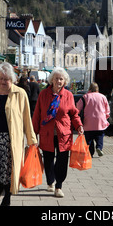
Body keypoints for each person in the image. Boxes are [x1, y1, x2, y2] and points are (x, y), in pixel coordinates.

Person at [0, 62, 38, 206]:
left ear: (13, 80)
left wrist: (31, 139)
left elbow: (27, 118)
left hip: (11, 139)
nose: (3, 81)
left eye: (7, 79)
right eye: (1, 78)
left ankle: (7, 196)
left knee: (9, 169)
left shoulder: (20, 93)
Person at [32, 67, 84, 198]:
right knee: (48, 160)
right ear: (52, 80)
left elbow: (74, 114)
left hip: (64, 134)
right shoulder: (44, 94)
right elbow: (37, 114)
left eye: (61, 79)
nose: (58, 81)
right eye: (56, 78)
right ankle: (50, 182)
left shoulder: (69, 95)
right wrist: (33, 132)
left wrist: (79, 126)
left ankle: (58, 186)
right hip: (47, 133)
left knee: (62, 161)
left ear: (65, 81)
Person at [76, 82, 110, 157]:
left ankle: (90, 152)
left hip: (88, 122)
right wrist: (106, 117)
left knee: (89, 138)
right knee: (100, 136)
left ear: (90, 89)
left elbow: (78, 107)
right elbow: (107, 109)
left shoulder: (85, 97)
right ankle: (99, 147)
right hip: (100, 121)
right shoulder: (103, 97)